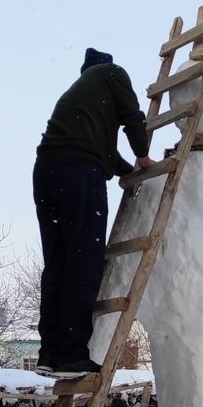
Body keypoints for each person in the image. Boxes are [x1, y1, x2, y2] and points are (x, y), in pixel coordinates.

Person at [33, 47, 154, 378]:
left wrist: (127, 171)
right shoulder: (113, 74)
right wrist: (143, 158)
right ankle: (72, 356)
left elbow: (107, 152)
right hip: (79, 173)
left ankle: (50, 354)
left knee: (57, 265)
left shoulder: (80, 99)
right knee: (83, 261)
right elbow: (133, 116)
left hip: (47, 171)